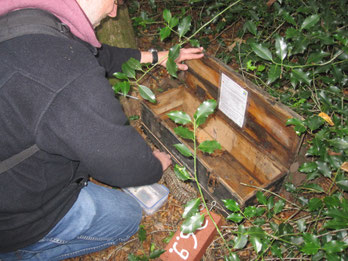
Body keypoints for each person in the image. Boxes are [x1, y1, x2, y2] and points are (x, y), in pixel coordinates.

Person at [0, 0, 204, 260]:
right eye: (115, 1)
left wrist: (156, 57)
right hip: (14, 219)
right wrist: (153, 165)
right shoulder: (66, 73)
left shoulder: (25, 22)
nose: (114, 11)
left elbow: (95, 54)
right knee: (127, 217)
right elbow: (123, 165)